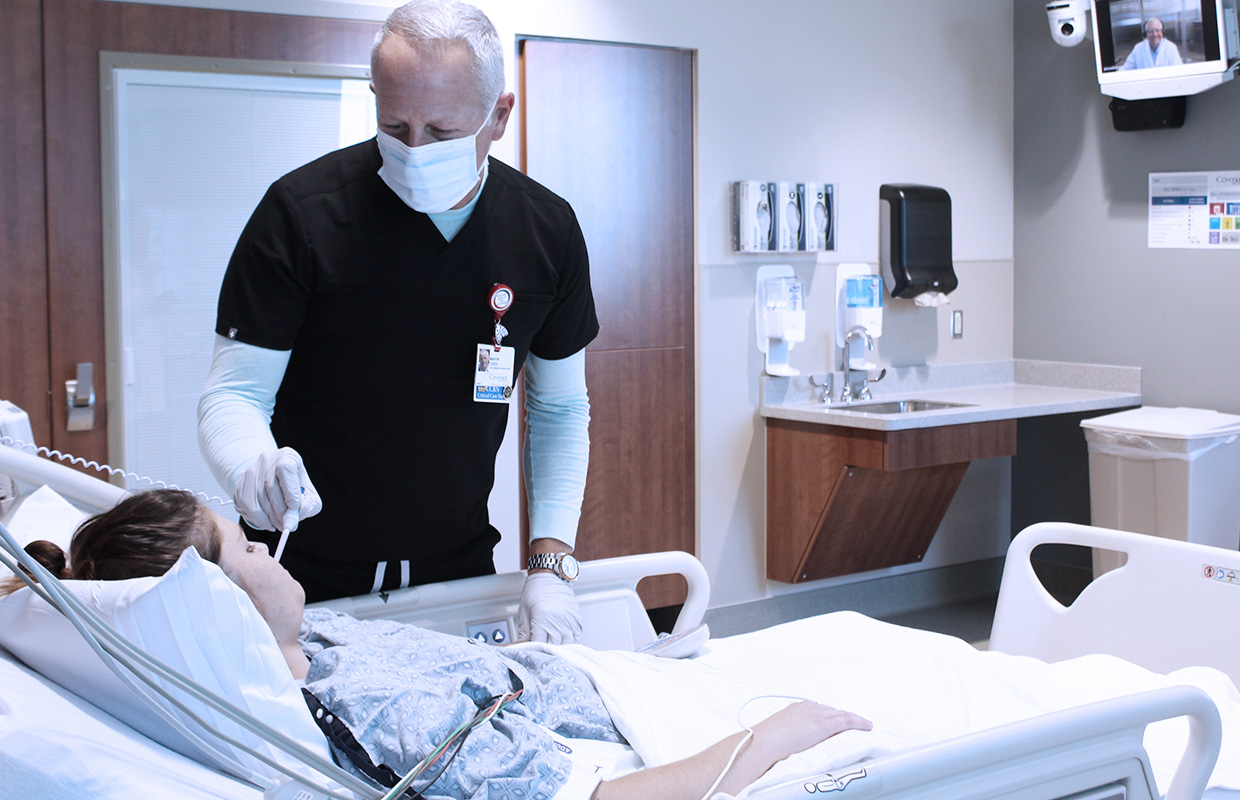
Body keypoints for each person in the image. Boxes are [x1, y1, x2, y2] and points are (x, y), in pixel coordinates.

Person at [8, 490, 873, 800]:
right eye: (243, 547)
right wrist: (772, 738)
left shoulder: (313, 641)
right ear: (224, 604)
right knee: (857, 662)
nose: (266, 550)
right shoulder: (381, 716)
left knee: (844, 638)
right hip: (645, 727)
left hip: (603, 684)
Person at [197, 0, 599, 645]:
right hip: (300, 569)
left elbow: (558, 412)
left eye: (441, 131)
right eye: (394, 125)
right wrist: (253, 466)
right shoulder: (302, 215)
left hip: (458, 566)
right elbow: (234, 395)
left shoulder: (545, 231)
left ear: (498, 116)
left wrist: (551, 567)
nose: (413, 151)